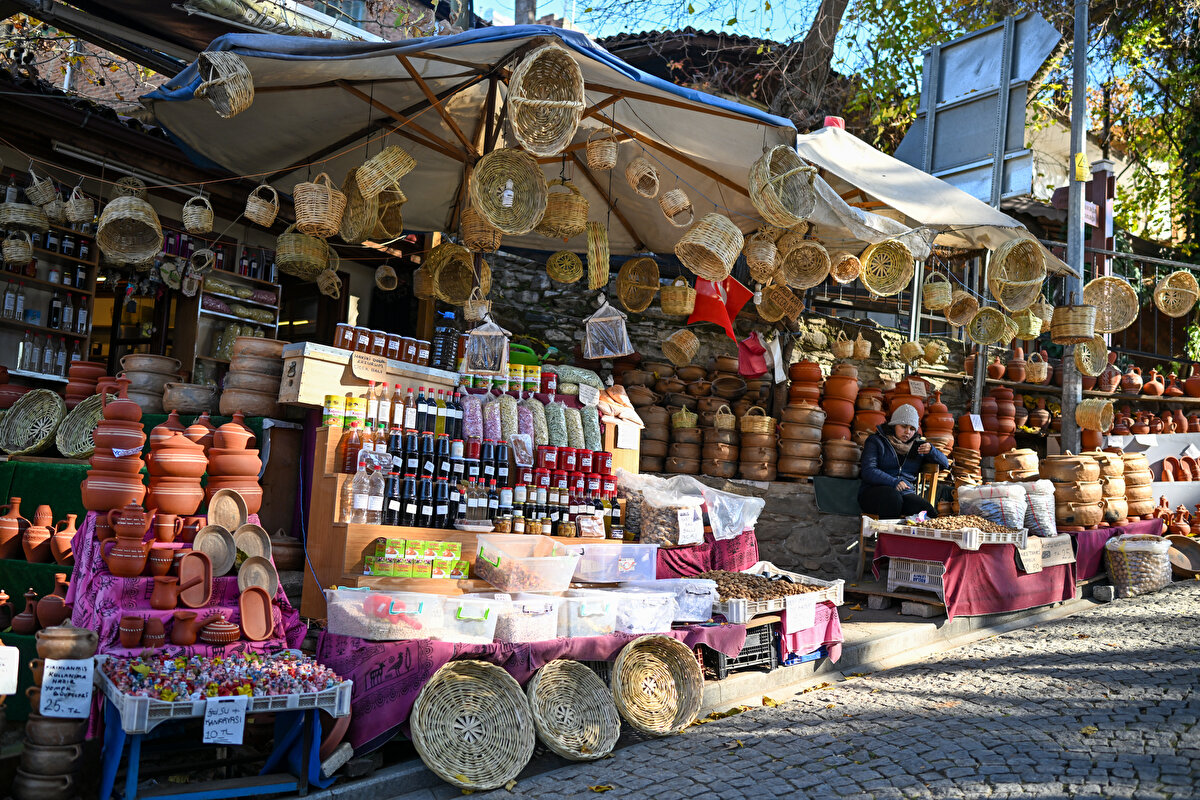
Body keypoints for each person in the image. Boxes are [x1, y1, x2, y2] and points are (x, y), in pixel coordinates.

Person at [858, 403, 950, 519]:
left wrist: (931, 450)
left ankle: (908, 537)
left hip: (904, 494)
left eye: (912, 429)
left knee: (927, 511)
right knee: (893, 498)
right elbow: (868, 471)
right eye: (903, 426)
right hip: (874, 492)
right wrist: (894, 482)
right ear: (894, 425)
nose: (908, 432)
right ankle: (888, 536)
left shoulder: (918, 446)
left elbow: (945, 464)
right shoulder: (876, 441)